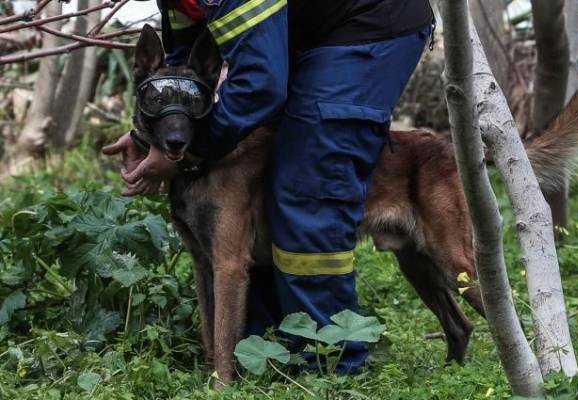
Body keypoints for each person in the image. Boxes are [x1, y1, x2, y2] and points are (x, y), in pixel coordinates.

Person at [103, 0, 433, 372]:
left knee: (307, 182)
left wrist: (190, 152)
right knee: (261, 171)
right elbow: (182, 70)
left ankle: (329, 365)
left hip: (371, 25)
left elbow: (260, 86)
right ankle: (264, 354)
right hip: (306, 36)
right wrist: (151, 134)